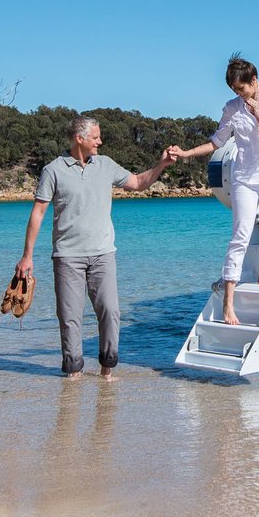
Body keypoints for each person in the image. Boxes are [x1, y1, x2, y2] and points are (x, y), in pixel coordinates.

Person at [17, 115, 173, 381]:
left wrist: (162, 164)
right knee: (69, 318)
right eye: (96, 137)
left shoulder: (106, 165)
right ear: (80, 139)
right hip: (67, 257)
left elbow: (137, 183)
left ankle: (107, 371)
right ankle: (73, 374)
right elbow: (38, 213)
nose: (100, 141)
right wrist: (27, 256)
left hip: (103, 254)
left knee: (111, 312)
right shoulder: (53, 170)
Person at [168, 57, 259, 325]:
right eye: (234, 90)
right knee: (240, 236)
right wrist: (186, 153)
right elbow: (216, 142)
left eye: (241, 89)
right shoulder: (233, 109)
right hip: (245, 179)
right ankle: (228, 302)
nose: (238, 94)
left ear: (254, 80)